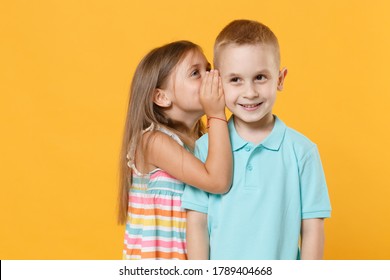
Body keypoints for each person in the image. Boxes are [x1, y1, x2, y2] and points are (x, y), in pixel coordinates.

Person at [182, 20, 332, 260]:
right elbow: (197, 222)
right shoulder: (204, 147)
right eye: (236, 80)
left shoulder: (302, 151)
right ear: (217, 82)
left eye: (260, 77)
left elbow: (313, 227)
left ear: (280, 79)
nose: (249, 92)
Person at [118, 40, 232, 260]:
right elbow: (218, 181)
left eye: (208, 69)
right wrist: (216, 114)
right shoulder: (152, 141)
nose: (211, 76)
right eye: (195, 73)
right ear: (161, 97)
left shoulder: (203, 142)